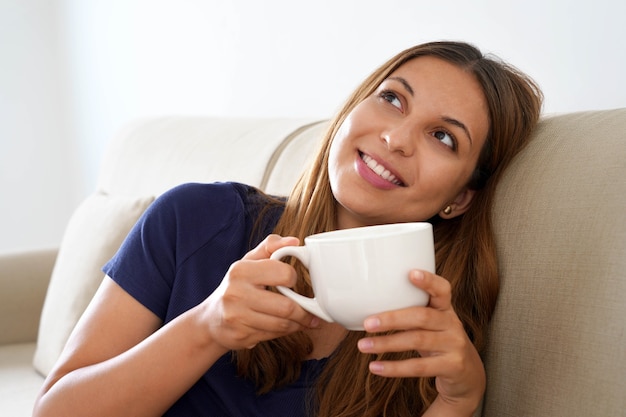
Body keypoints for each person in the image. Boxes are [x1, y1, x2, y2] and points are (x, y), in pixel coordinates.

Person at [33, 41, 543, 417]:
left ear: (460, 198)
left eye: (442, 136)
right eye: (392, 99)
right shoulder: (195, 219)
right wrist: (207, 325)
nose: (396, 137)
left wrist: (459, 400)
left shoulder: (435, 336)